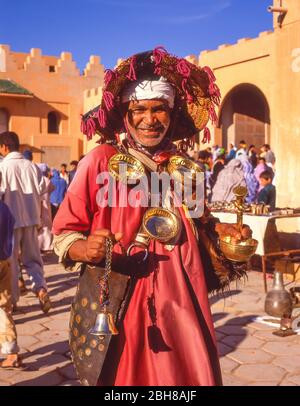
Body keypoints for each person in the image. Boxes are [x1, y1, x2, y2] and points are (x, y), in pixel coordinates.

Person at [52, 48, 251, 386]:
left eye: (159, 108)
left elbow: (201, 222)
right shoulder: (100, 161)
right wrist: (84, 248)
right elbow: (64, 231)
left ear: (171, 114)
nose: (150, 118)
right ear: (126, 116)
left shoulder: (185, 168)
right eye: (139, 109)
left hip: (182, 299)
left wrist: (222, 230)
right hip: (122, 298)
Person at [0, 132, 51, 313]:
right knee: (32, 259)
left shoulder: (3, 167)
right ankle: (41, 288)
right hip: (31, 219)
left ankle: (12, 301)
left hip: (9, 223)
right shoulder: (32, 166)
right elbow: (45, 186)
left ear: (4, 147)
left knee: (11, 262)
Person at [0, 201, 22, 369]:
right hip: (5, 260)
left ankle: (11, 352)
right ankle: (11, 350)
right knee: (4, 306)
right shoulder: (5, 207)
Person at [37, 163, 55, 252]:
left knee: (40, 225)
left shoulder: (38, 180)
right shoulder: (48, 180)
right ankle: (47, 245)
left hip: (39, 203)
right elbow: (53, 189)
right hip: (47, 204)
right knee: (47, 225)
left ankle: (40, 245)